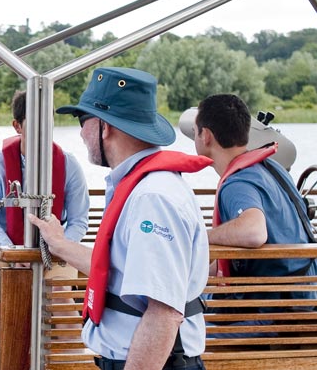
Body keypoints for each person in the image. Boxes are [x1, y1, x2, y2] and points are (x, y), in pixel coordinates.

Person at [28, 67, 212, 370]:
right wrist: (59, 244)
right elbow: (120, 272)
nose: (80, 132)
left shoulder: (152, 198)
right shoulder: (143, 188)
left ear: (105, 127)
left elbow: (163, 313)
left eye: (82, 120)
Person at [189, 94, 317, 315]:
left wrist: (200, 237)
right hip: (302, 298)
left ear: (206, 136)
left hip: (274, 312)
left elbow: (253, 232)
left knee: (184, 331)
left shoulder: (238, 183)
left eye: (194, 132)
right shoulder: (272, 167)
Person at [0, 91, 90, 248]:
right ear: (17, 126)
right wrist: (11, 252)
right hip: (7, 253)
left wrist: (59, 248)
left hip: (54, 255)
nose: (42, 131)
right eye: (35, 124)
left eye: (47, 123)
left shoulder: (70, 164)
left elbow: (79, 220)